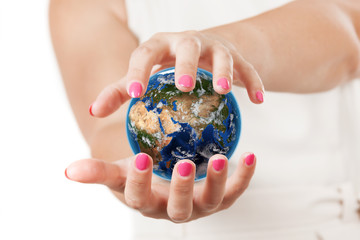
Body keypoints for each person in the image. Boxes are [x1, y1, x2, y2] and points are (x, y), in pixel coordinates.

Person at [50, 0, 360, 239]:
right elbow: (111, 124)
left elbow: (350, 32)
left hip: (332, 224)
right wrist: (144, 176)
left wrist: (225, 49)